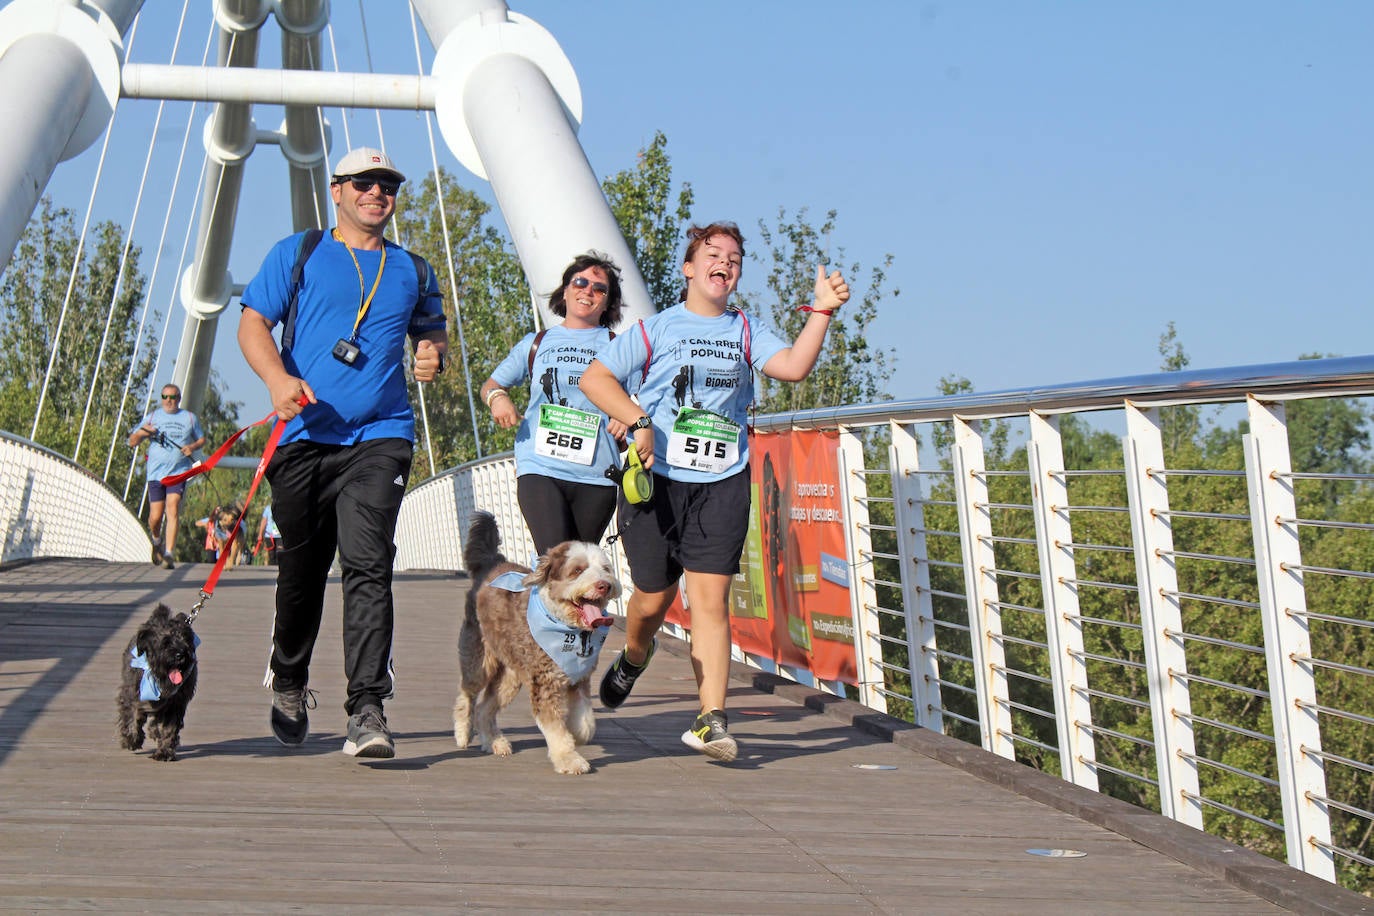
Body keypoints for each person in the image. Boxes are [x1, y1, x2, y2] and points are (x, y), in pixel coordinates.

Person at [579, 221, 849, 762]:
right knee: (652, 600)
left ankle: (711, 720)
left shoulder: (748, 329)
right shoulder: (656, 329)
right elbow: (595, 379)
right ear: (689, 268)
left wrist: (821, 312)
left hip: (721, 482)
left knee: (710, 601)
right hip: (656, 482)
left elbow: (793, 368)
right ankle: (634, 655)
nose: (724, 262)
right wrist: (638, 421)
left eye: (733, 258)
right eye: (712, 253)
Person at [237, 147, 448, 760]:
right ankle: (291, 678)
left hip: (380, 435)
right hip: (302, 437)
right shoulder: (299, 252)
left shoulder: (412, 268)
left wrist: (431, 354)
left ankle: (367, 709)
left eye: (387, 184)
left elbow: (430, 332)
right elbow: (252, 325)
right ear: (337, 190)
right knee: (301, 573)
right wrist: (278, 381)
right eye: (364, 182)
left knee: (368, 565)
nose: (376, 192)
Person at [480, 253, 628, 556]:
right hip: (541, 467)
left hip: (597, 473)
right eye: (580, 282)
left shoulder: (619, 346)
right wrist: (498, 399)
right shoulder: (537, 343)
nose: (588, 291)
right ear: (566, 290)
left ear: (608, 302)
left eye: (599, 288)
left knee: (580, 572)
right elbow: (491, 386)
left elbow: (649, 401)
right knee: (555, 561)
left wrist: (628, 420)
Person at [127, 383, 205, 571]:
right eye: (165, 397)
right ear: (161, 398)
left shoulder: (189, 418)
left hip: (178, 472)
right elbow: (132, 441)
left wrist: (191, 447)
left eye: (173, 397)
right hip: (155, 474)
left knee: (173, 508)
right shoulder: (153, 417)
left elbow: (202, 439)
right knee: (155, 517)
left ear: (179, 398)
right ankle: (157, 541)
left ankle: (169, 553)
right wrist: (145, 431)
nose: (169, 401)